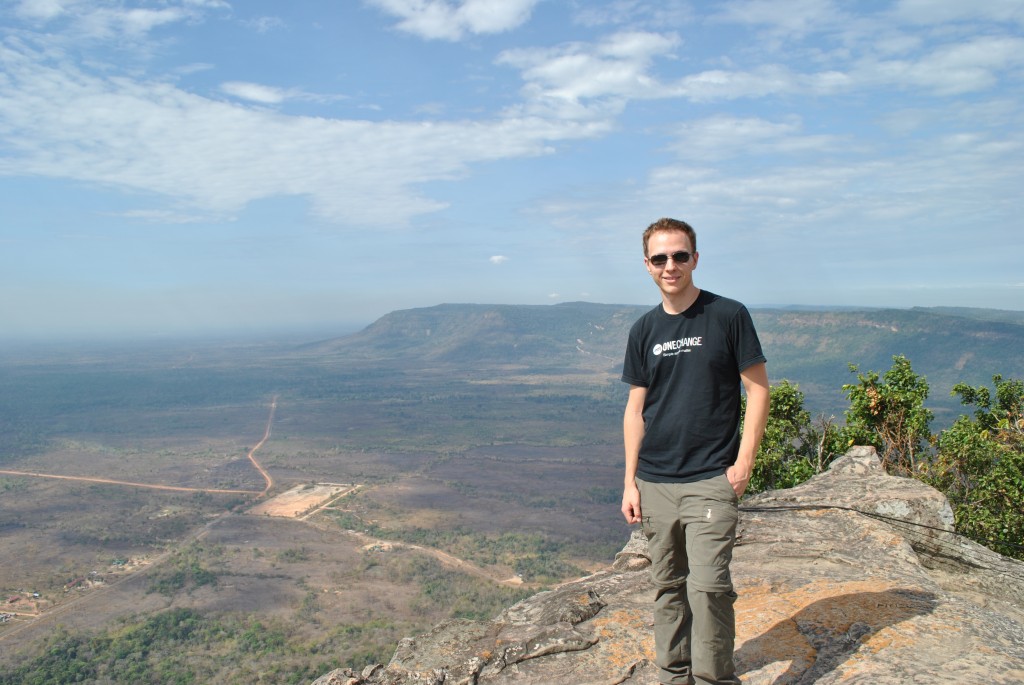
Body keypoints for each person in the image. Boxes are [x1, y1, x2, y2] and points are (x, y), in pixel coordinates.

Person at [620, 218, 769, 685]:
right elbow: (634, 409)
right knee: (667, 588)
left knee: (708, 590)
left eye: (680, 255)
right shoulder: (644, 330)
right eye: (660, 258)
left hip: (710, 478)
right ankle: (673, 676)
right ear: (647, 266)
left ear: (695, 259)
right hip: (656, 481)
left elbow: (759, 390)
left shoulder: (727, 315)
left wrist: (744, 463)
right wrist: (629, 482)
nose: (671, 266)